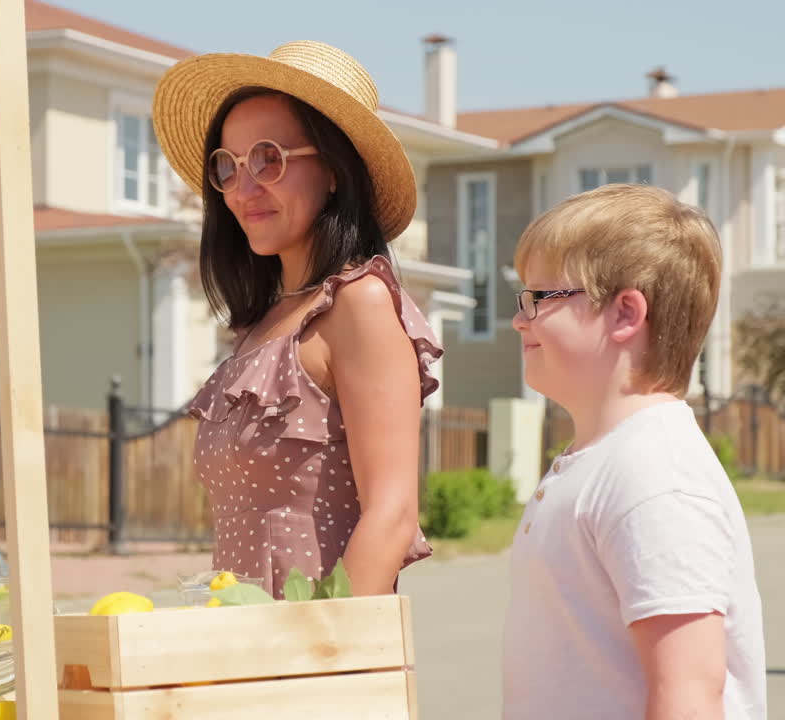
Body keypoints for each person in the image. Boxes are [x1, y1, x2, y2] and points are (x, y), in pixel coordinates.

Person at [153, 41, 440, 599]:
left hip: (321, 660)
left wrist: (323, 652)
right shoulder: (261, 326)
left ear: (334, 170)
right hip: (247, 651)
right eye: (227, 166)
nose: (244, 187)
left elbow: (393, 513)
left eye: (268, 158)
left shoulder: (360, 304)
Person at [502, 184, 766, 719]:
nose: (519, 319)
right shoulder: (606, 460)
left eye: (540, 298)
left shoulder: (652, 476)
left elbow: (688, 695)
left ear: (626, 313)